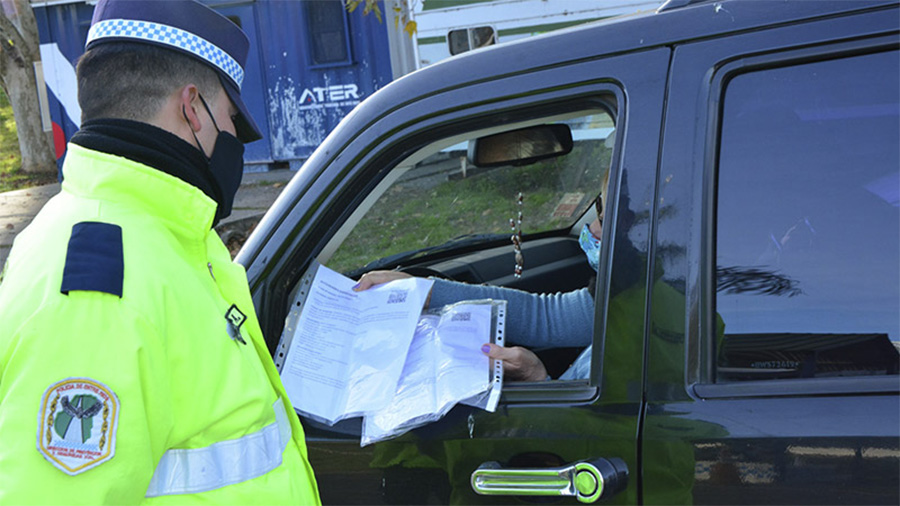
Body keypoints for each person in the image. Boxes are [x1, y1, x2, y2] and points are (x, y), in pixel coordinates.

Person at [0, 1, 319, 503]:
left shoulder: (165, 231)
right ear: (193, 108)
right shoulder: (97, 290)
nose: (235, 138)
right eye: (232, 118)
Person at [354, 194, 605, 382]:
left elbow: (597, 431)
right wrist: (426, 292)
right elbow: (545, 316)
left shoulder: (640, 343)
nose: (592, 228)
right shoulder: (628, 295)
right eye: (598, 207)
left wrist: (537, 380)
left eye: (605, 217)